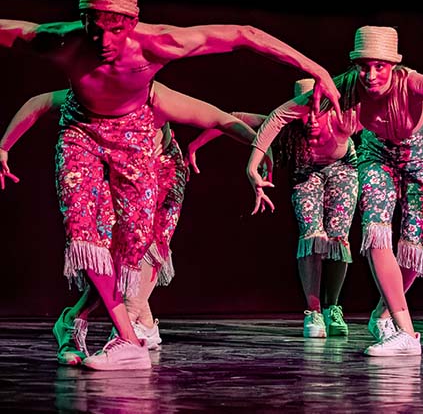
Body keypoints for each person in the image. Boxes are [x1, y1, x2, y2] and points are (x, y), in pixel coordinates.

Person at [0, 0, 339, 370]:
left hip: (139, 148)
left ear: (134, 22)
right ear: (83, 19)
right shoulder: (61, 40)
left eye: (116, 29)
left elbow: (242, 40)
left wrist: (315, 70)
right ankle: (127, 338)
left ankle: (78, 322)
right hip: (80, 134)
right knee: (85, 235)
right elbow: (34, 80)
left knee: (131, 245)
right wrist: (4, 144)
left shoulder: (157, 49)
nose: (105, 40)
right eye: (96, 28)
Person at [248, 26, 423, 356]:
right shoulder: (347, 85)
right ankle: (405, 333)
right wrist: (254, 162)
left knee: (412, 249)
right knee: (375, 233)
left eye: (379, 66)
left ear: (392, 66)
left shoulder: (413, 83)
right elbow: (283, 113)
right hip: (377, 153)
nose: (370, 75)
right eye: (364, 65)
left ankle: (384, 312)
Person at [0, 82, 258, 365]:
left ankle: (116, 324)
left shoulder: (156, 98)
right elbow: (41, 101)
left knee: (146, 249)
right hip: (121, 174)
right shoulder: (95, 95)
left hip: (163, 173)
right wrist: (4, 146)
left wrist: (259, 155)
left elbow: (222, 117)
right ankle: (105, 324)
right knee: (108, 254)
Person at [187, 78, 359, 338]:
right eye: (305, 113)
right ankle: (313, 311)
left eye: (317, 112)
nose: (311, 119)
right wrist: (196, 145)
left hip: (344, 169)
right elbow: (232, 118)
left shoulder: (342, 118)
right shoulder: (283, 124)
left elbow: (379, 126)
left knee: (337, 238)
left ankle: (332, 308)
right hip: (306, 173)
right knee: (312, 236)